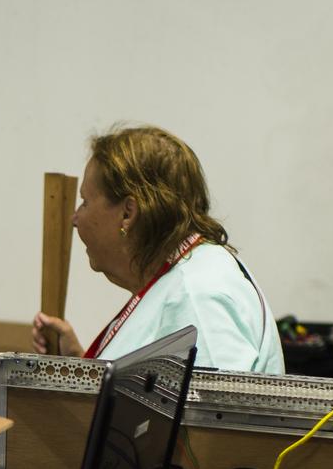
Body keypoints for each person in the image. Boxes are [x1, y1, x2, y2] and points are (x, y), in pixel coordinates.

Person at [33, 125, 284, 373]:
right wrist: (76, 367)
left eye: (85, 202)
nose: (75, 219)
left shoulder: (196, 295)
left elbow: (215, 410)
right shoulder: (183, 278)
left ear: (128, 213)